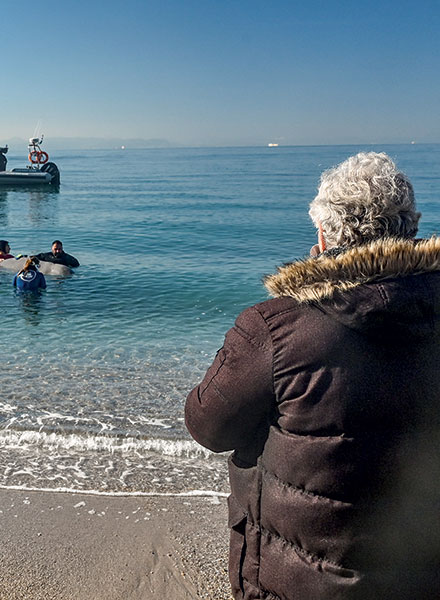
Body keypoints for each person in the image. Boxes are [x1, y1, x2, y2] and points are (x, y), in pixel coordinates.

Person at [184, 152, 440, 599]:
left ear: (323, 234)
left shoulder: (277, 327)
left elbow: (207, 425)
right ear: (412, 228)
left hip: (300, 579)